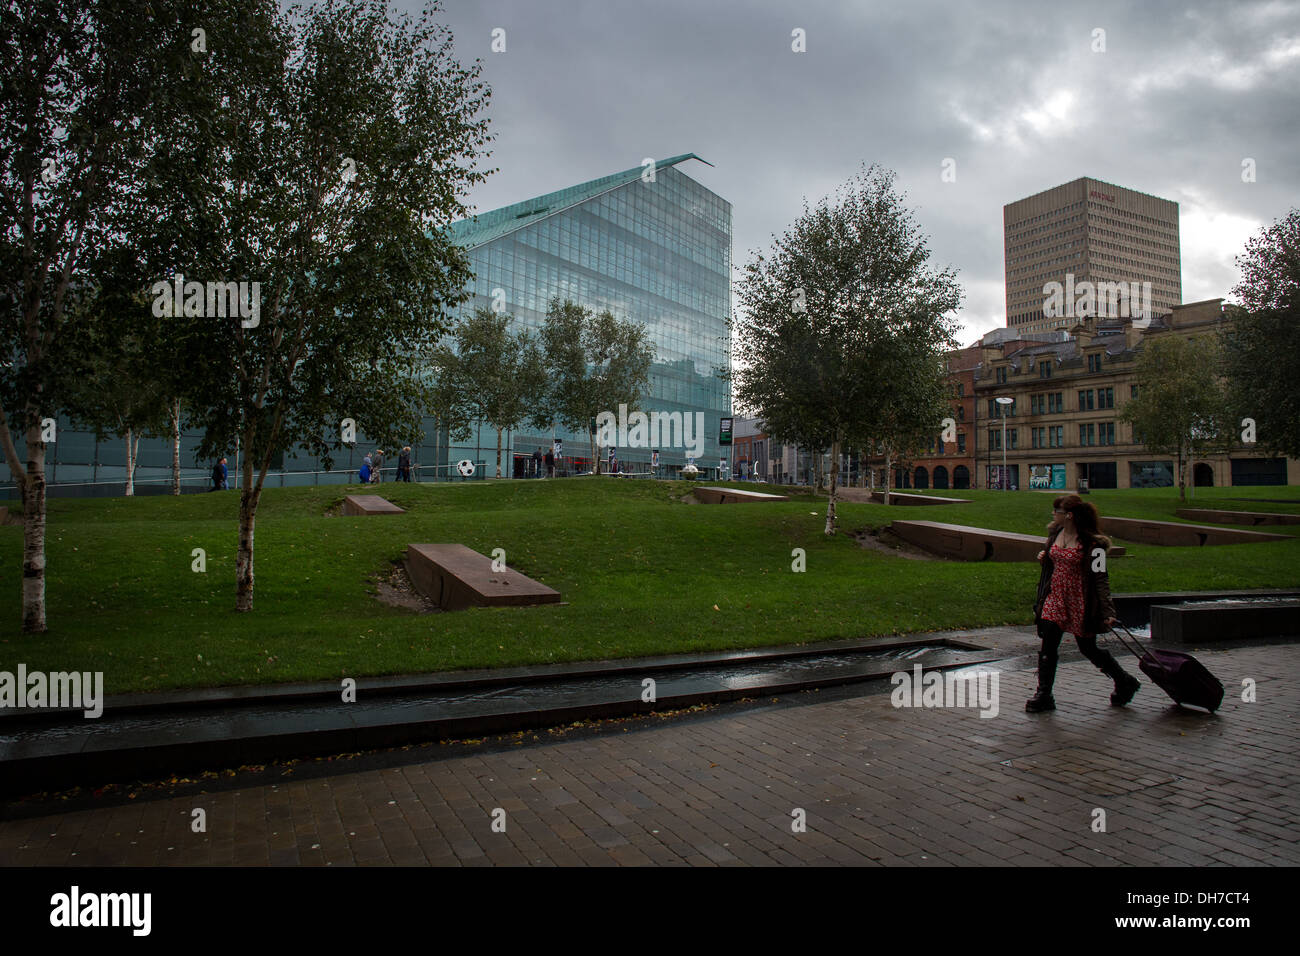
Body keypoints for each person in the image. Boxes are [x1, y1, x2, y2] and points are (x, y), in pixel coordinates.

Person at [1027, 494, 1140, 713]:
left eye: (1056, 511)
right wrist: (1045, 557)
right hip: (1055, 597)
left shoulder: (1093, 544)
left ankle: (1124, 680)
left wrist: (1107, 610)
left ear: (1068, 515)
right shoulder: (1054, 535)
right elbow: (1052, 562)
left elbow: (1100, 577)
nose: (1053, 514)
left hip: (1080, 600)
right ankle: (1044, 694)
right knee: (1048, 645)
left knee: (1088, 648)